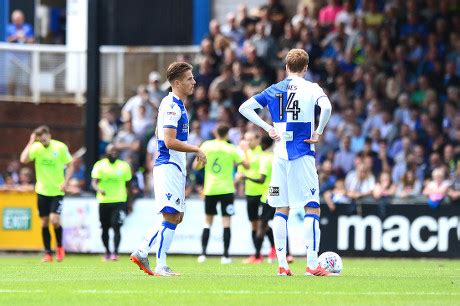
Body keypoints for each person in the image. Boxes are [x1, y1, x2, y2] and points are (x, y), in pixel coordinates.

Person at [239, 49, 333, 276]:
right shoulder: (311, 88)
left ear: (286, 67)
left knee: (282, 207)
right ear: (306, 67)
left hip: (279, 154)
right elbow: (327, 107)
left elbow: (244, 108)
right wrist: (319, 131)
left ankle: (282, 265)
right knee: (312, 205)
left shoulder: (274, 89)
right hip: (302, 152)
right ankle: (312, 265)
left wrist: (268, 128)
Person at [130, 62, 207, 276]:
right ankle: (155, 260)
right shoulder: (172, 106)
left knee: (176, 216)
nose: (194, 82)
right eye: (190, 78)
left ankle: (145, 251)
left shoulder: (177, 104)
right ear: (177, 82)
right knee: (171, 214)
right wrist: (196, 149)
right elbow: (169, 140)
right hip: (168, 165)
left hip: (176, 166)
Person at [193, 123, 248, 264]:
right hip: (227, 189)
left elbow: (196, 166)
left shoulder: (206, 146)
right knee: (226, 222)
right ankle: (225, 256)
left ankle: (203, 254)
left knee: (207, 221)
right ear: (227, 134)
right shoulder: (231, 148)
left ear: (215, 133)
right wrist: (244, 151)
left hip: (210, 188)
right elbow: (246, 164)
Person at [19, 125, 74, 262]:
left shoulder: (60, 148)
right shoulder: (36, 148)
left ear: (49, 135)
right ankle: (48, 253)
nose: (43, 139)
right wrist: (31, 142)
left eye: (44, 136)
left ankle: (60, 247)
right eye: (40, 138)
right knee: (44, 222)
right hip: (42, 191)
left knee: (54, 220)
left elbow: (70, 164)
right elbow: (23, 160)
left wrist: (66, 182)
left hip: (57, 191)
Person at [91, 144, 132, 261]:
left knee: (116, 226)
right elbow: (94, 182)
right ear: (106, 153)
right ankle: (107, 251)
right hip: (104, 201)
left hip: (119, 201)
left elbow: (128, 185)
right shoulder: (100, 165)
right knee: (104, 228)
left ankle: (115, 252)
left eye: (115, 151)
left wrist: (128, 203)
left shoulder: (124, 166)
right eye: (111, 151)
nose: (113, 153)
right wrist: (99, 189)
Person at [235, 131, 266, 258]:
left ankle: (275, 250)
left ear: (257, 140)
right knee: (254, 223)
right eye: (246, 140)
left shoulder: (262, 151)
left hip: (264, 192)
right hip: (250, 192)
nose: (248, 143)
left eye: (250, 140)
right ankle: (257, 254)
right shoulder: (244, 155)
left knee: (265, 222)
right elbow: (240, 174)